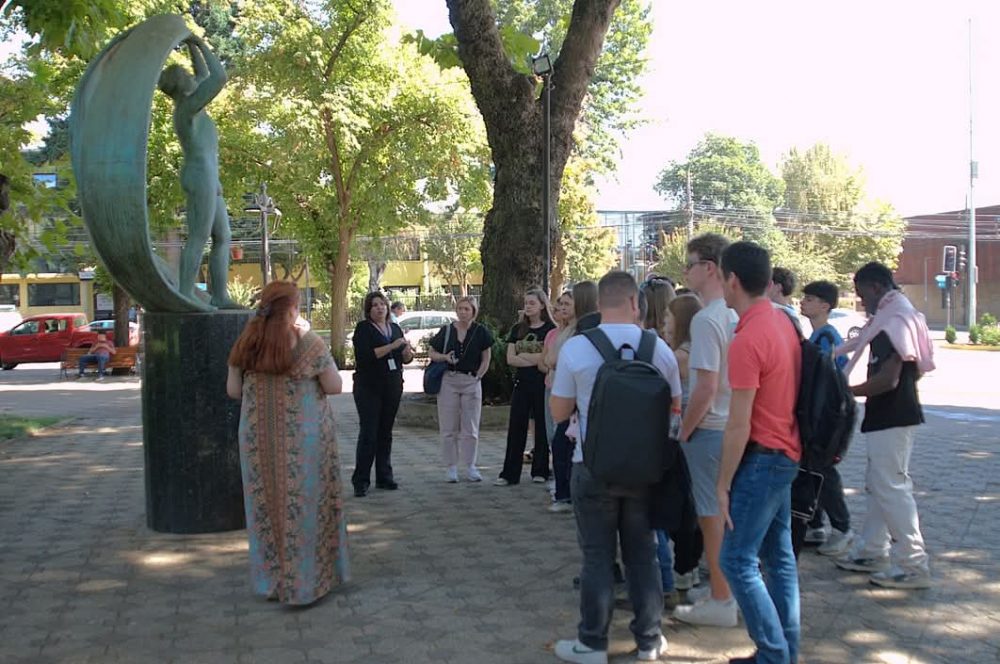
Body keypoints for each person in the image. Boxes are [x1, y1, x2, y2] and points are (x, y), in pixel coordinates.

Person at [550, 271, 681, 664]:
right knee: (643, 554)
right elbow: (675, 408)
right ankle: (649, 640)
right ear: (635, 303)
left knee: (597, 556)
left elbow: (559, 413)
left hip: (591, 466)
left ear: (599, 304)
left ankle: (592, 644)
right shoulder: (659, 349)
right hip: (645, 470)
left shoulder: (577, 348)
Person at [226, 281, 348, 605]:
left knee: (265, 509)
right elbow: (334, 386)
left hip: (257, 438)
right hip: (303, 439)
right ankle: (305, 584)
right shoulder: (308, 342)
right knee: (306, 507)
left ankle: (273, 582)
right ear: (293, 308)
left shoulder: (246, 342)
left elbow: (233, 390)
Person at [716, 241, 802, 664]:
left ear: (731, 280)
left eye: (720, 277)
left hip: (763, 459)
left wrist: (722, 484)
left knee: (736, 560)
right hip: (786, 453)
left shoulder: (748, 337)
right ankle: (784, 650)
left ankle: (773, 654)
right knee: (778, 558)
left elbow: (739, 423)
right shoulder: (782, 321)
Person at [833, 262, 934, 589]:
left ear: (876, 287)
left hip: (893, 415)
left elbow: (888, 380)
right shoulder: (897, 316)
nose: (861, 301)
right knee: (880, 485)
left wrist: (846, 391)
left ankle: (913, 565)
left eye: (862, 294)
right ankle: (872, 551)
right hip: (892, 414)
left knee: (891, 487)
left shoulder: (893, 321)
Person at [674, 233, 740, 626]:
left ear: (710, 268)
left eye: (690, 264)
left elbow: (704, 387)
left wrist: (684, 431)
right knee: (727, 513)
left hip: (710, 427)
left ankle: (721, 598)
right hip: (735, 426)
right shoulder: (736, 314)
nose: (685, 272)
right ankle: (724, 586)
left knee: (711, 515)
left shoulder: (707, 318)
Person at [157, 34, 238, 309]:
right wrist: (202, 44)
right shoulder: (187, 109)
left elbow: (204, 74)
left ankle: (220, 296)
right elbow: (218, 78)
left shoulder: (193, 106)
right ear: (181, 85)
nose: (193, 76)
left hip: (210, 177)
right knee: (199, 236)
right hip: (199, 175)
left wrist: (192, 44)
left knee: (223, 237)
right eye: (186, 75)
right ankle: (185, 292)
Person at [798, 280, 853, 556]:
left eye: (810, 299)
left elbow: (831, 380)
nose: (803, 302)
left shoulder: (827, 338)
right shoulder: (817, 336)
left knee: (824, 471)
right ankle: (815, 523)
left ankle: (842, 528)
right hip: (818, 414)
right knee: (812, 469)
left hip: (826, 416)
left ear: (825, 306)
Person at [351, 291, 414, 497]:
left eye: (382, 304)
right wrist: (392, 346)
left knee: (385, 432)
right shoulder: (363, 329)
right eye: (375, 305)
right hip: (368, 387)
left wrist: (406, 352)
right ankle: (361, 480)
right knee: (369, 433)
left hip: (392, 385)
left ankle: (384, 476)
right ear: (368, 310)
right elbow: (365, 356)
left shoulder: (394, 328)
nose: (380, 308)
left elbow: (405, 359)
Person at [428, 296, 494, 483]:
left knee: (470, 427)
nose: (463, 312)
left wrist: (478, 376)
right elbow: (432, 352)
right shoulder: (447, 330)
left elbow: (486, 358)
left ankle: (471, 465)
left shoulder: (481, 331)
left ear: (473, 311)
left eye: (467, 309)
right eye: (460, 308)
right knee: (448, 427)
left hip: (471, 380)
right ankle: (451, 467)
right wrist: (444, 357)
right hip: (449, 380)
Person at [495, 288, 556, 486]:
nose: (528, 307)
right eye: (526, 303)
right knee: (516, 427)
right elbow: (511, 358)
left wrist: (526, 357)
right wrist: (533, 359)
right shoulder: (518, 329)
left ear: (542, 305)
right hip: (521, 384)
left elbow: (546, 358)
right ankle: (509, 473)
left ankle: (541, 470)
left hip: (542, 384)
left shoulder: (550, 330)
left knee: (542, 427)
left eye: (532, 303)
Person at [542, 290, 576, 511]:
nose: (562, 308)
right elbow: (546, 359)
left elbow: (553, 360)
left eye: (567, 304)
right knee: (555, 439)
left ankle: (565, 492)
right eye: (560, 303)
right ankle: (561, 486)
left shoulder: (575, 332)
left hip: (568, 393)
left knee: (562, 441)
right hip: (554, 387)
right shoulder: (559, 331)